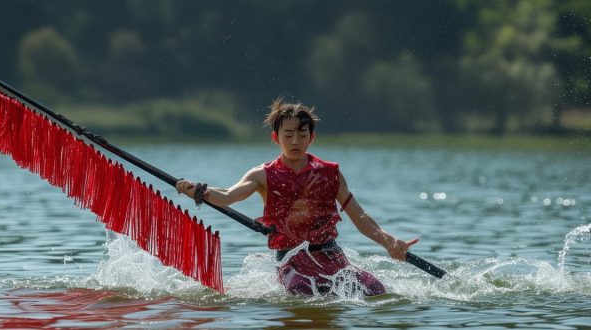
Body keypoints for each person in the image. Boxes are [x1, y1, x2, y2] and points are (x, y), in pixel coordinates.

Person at [176, 99, 418, 296]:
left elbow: (359, 216)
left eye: (302, 135)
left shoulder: (330, 173)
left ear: (311, 137)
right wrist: (199, 190)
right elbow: (228, 196)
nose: (295, 141)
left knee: (376, 291)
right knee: (304, 292)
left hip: (331, 255)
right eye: (288, 134)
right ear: (275, 137)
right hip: (291, 261)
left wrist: (390, 242)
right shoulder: (262, 175)